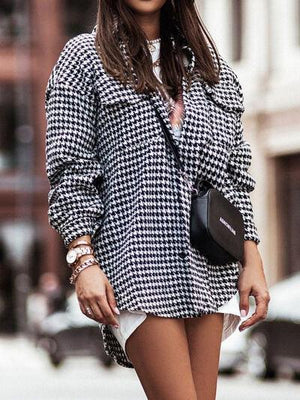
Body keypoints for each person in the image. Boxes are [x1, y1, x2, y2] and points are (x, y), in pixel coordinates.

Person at [44, 1, 270, 399]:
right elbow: (70, 169)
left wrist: (252, 260)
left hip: (208, 269)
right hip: (135, 266)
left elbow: (233, 177)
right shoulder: (83, 58)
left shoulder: (211, 70)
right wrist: (83, 260)